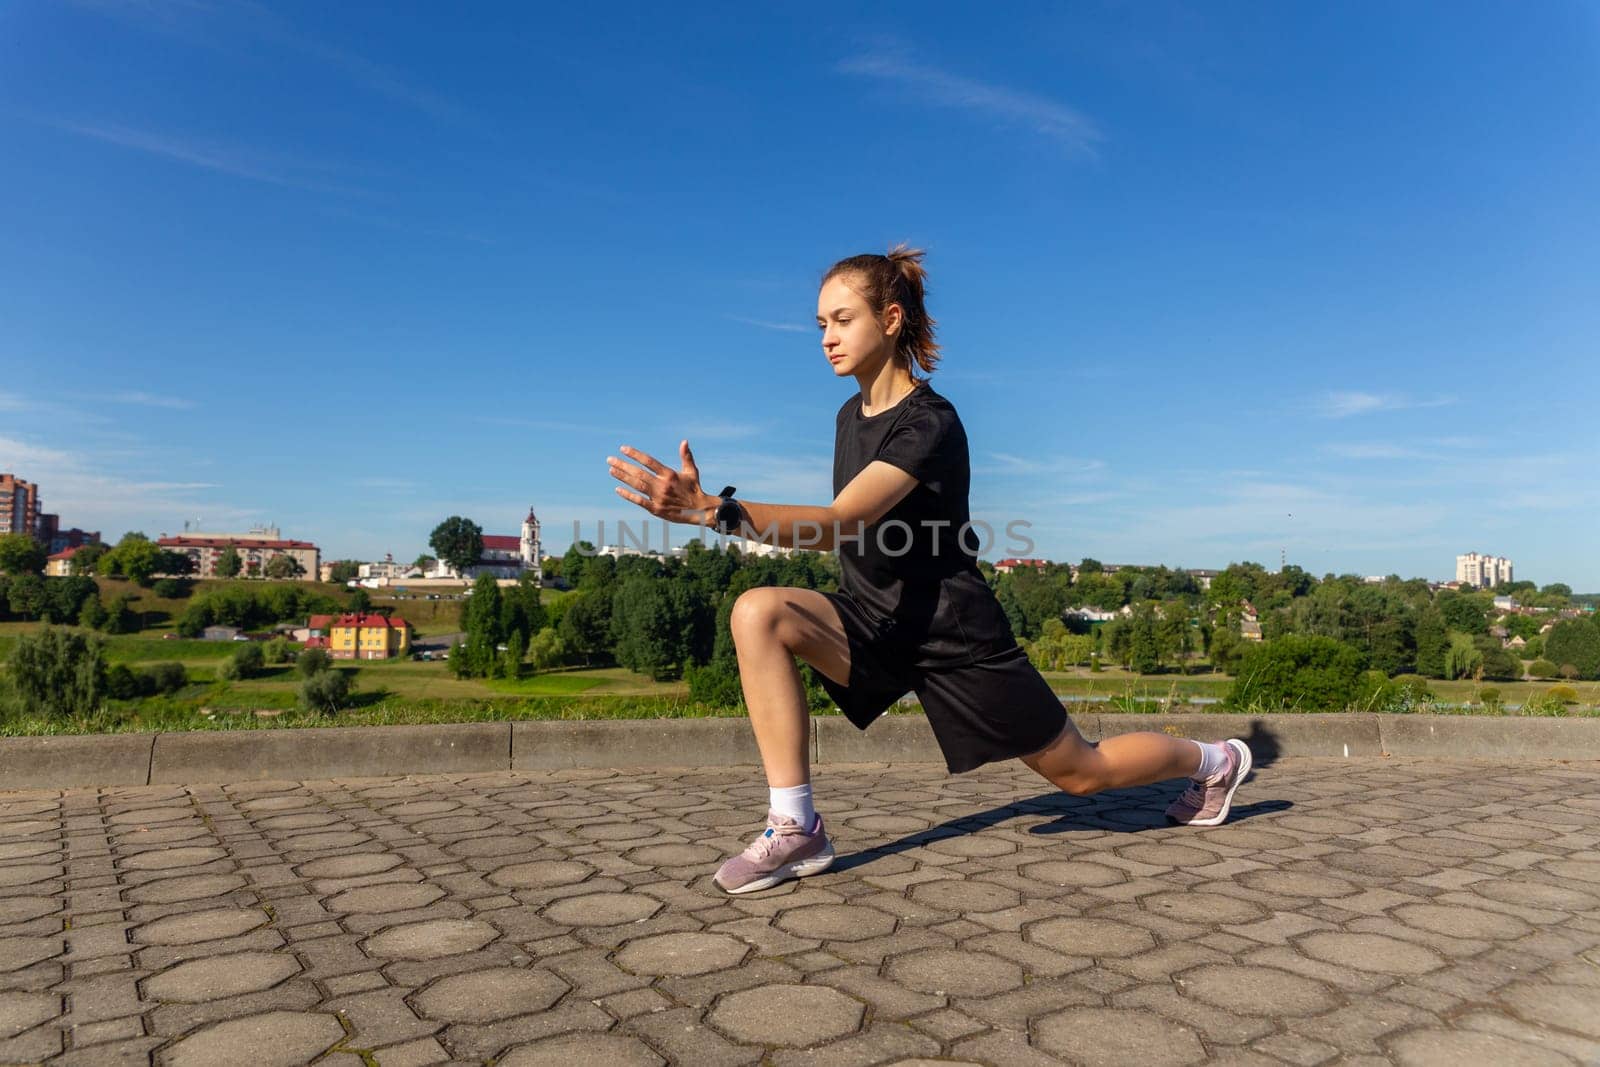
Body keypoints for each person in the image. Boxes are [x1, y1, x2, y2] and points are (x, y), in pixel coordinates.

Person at [605, 246, 1251, 895]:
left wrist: (716, 510)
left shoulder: (930, 423)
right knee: (757, 612)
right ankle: (797, 825)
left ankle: (1216, 759)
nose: (827, 336)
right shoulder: (846, 416)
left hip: (952, 632)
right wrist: (713, 513)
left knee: (1083, 771)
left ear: (889, 319)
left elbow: (841, 521)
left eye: (841, 319)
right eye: (820, 324)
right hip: (873, 617)